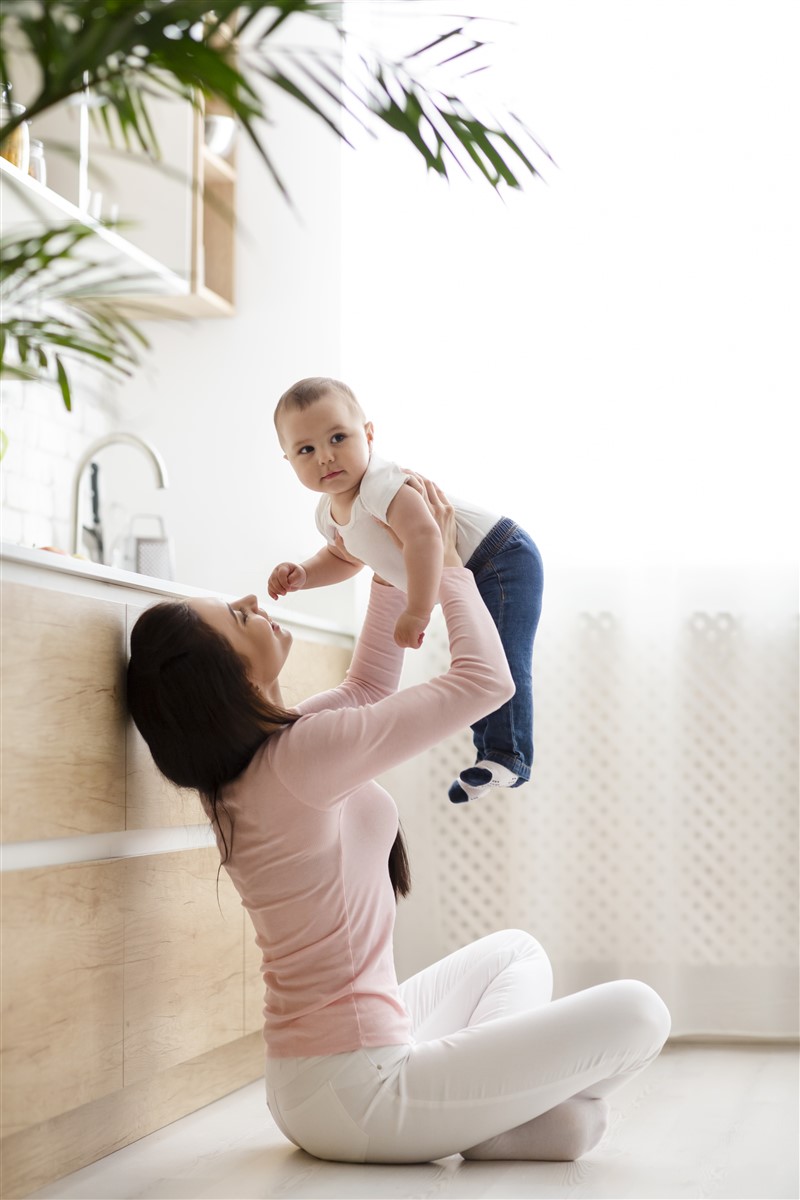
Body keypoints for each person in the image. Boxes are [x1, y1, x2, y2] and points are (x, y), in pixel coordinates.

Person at [127, 479, 671, 1166]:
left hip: (322, 1085)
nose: (249, 602)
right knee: (642, 1012)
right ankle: (473, 1107)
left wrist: (389, 550)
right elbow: (485, 684)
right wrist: (442, 564)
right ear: (227, 677)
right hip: (359, 1091)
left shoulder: (265, 761)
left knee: (516, 955)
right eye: (235, 618)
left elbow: (367, 688)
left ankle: (479, 1109)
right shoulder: (298, 757)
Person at [268, 376, 544, 805]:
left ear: (370, 435)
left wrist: (416, 611)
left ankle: (508, 757)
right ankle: (493, 754)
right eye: (306, 450)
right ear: (287, 460)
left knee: (502, 656)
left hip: (500, 555)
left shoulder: (383, 485)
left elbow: (426, 538)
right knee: (478, 655)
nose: (325, 457)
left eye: (338, 437)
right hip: (466, 567)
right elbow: (345, 558)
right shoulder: (328, 511)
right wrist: (303, 574)